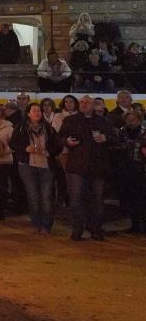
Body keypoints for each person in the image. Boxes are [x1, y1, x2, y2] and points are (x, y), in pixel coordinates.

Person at [59, 96, 112, 241]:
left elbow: (114, 138)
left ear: (93, 105)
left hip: (97, 166)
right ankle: (78, 228)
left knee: (97, 199)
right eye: (81, 102)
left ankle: (95, 228)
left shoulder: (103, 121)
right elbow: (59, 138)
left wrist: (105, 138)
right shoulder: (70, 120)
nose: (83, 104)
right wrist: (67, 141)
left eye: (86, 102)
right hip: (77, 166)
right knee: (76, 199)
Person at [11, 102, 61, 234]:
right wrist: (25, 148)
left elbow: (58, 144)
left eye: (39, 110)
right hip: (27, 165)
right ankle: (35, 222)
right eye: (34, 110)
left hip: (46, 165)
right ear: (28, 113)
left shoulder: (49, 129)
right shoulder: (21, 128)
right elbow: (13, 143)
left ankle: (46, 225)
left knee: (46, 196)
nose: (37, 113)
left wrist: (50, 152)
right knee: (33, 195)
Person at [121, 110, 146, 234]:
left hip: (142, 169)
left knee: (142, 197)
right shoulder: (122, 132)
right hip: (126, 169)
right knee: (131, 198)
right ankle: (135, 225)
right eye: (128, 120)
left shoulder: (144, 131)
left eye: (133, 120)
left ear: (139, 120)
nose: (130, 122)